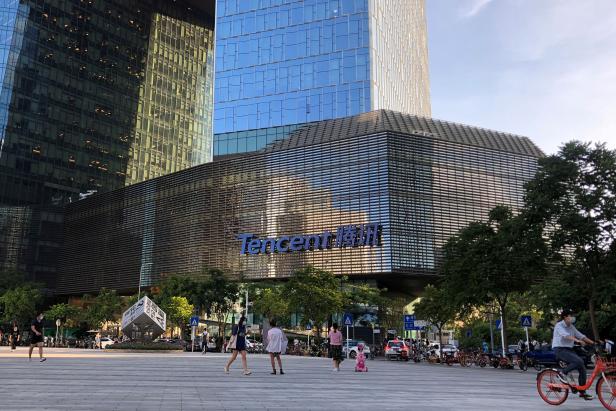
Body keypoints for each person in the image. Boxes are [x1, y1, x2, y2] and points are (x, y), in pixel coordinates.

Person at [552, 309, 594, 400]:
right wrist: (577, 341)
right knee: (579, 361)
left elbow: (581, 335)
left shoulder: (571, 326)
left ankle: (582, 391)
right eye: (570, 316)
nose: (572, 318)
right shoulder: (559, 325)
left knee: (582, 366)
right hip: (559, 349)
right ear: (565, 317)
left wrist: (593, 343)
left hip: (568, 349)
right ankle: (562, 373)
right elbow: (565, 335)